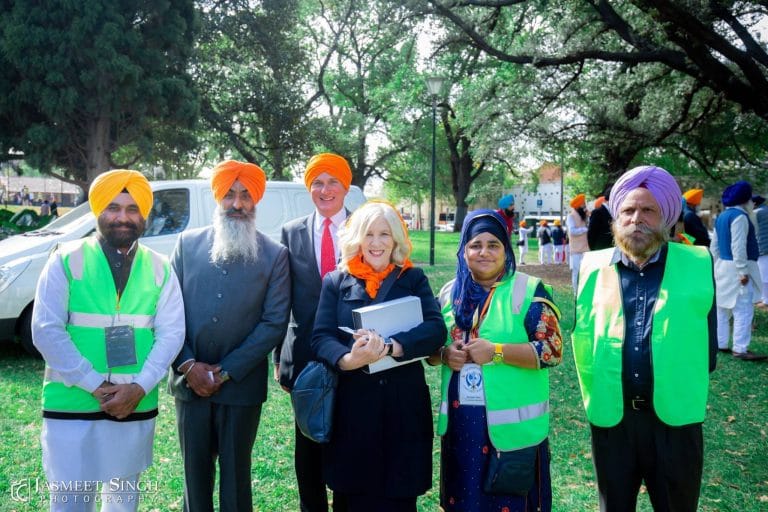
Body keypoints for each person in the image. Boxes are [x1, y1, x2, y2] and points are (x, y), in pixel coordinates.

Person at [32, 169, 185, 510]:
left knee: (123, 498)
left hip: (134, 403)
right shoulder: (65, 260)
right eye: (114, 207)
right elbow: (45, 329)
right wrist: (95, 385)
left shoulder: (160, 267)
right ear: (98, 211)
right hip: (72, 404)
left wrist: (139, 387)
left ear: (144, 215)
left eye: (132, 209)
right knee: (71, 499)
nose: (123, 217)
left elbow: (172, 333)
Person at [573, 165, 717, 512]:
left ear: (666, 217)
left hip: (674, 422)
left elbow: (708, 349)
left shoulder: (697, 262)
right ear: (615, 217)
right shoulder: (591, 267)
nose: (637, 218)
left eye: (648, 210)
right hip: (613, 421)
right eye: (628, 210)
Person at [168, 160, 291, 511]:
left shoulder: (275, 255)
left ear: (255, 201)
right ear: (217, 197)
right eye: (229, 194)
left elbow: (273, 323)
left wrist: (222, 372)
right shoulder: (186, 244)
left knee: (237, 480)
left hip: (240, 387)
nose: (237, 204)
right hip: (188, 385)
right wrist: (189, 365)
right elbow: (168, 314)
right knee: (195, 477)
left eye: (246, 195)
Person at [311, 200, 446, 511]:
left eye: (384, 234)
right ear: (357, 238)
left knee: (399, 497)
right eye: (368, 234)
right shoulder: (336, 281)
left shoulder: (412, 278)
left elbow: (436, 329)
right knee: (351, 497)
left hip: (404, 409)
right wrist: (348, 360)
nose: (376, 243)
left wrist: (391, 347)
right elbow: (321, 337)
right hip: (352, 409)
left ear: (396, 239)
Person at [431, 209, 563, 511]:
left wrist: (498, 352)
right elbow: (432, 348)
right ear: (464, 250)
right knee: (465, 502)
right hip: (463, 424)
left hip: (512, 433)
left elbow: (552, 351)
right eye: (476, 244)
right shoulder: (450, 293)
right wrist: (443, 354)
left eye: (494, 245)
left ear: (506, 249)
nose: (484, 252)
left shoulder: (528, 290)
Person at [277, 152, 352, 511]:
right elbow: (281, 299)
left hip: (352, 353)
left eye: (332, 181)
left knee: (346, 442)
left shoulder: (363, 227)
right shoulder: (291, 232)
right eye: (317, 183)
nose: (325, 190)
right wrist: (281, 357)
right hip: (304, 356)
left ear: (345, 186)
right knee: (307, 445)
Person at [710, 181, 766, 361]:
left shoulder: (721, 216)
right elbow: (738, 246)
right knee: (743, 309)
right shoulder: (741, 217)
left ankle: (721, 343)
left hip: (722, 267)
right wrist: (742, 271)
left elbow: (715, 246)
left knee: (722, 308)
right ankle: (740, 348)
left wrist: (715, 265)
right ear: (745, 200)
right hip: (738, 267)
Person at [566, 193, 590, 290]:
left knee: (586, 271)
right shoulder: (570, 216)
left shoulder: (583, 215)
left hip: (585, 248)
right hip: (576, 250)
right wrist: (584, 229)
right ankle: (576, 292)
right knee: (576, 272)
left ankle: (584, 290)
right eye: (583, 204)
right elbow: (572, 231)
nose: (585, 206)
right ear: (579, 205)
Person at [753, 195, 768, 308]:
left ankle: (765, 300)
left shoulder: (756, 213)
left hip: (762, 248)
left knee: (764, 276)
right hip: (765, 247)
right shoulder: (765, 210)